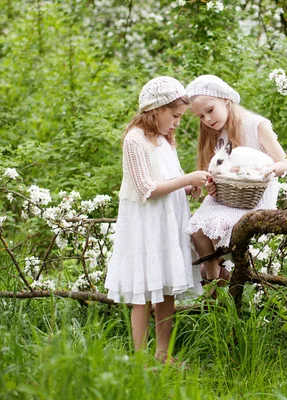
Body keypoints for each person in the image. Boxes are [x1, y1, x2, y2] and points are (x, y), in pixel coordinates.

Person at [105, 76, 208, 362]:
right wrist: (185, 178)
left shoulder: (164, 140)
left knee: (167, 287)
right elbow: (146, 189)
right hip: (146, 224)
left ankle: (163, 353)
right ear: (156, 109)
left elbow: (168, 181)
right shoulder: (135, 140)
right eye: (174, 116)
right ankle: (139, 356)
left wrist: (188, 186)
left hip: (167, 222)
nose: (176, 123)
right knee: (144, 290)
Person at [186, 75, 287, 287]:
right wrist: (211, 187)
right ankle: (214, 277)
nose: (206, 119)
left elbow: (284, 163)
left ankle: (215, 278)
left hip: (254, 197)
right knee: (195, 230)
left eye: (210, 110)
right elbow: (219, 171)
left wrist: (266, 171)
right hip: (227, 197)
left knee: (218, 228)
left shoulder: (255, 125)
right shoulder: (216, 132)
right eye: (200, 116)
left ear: (225, 99)